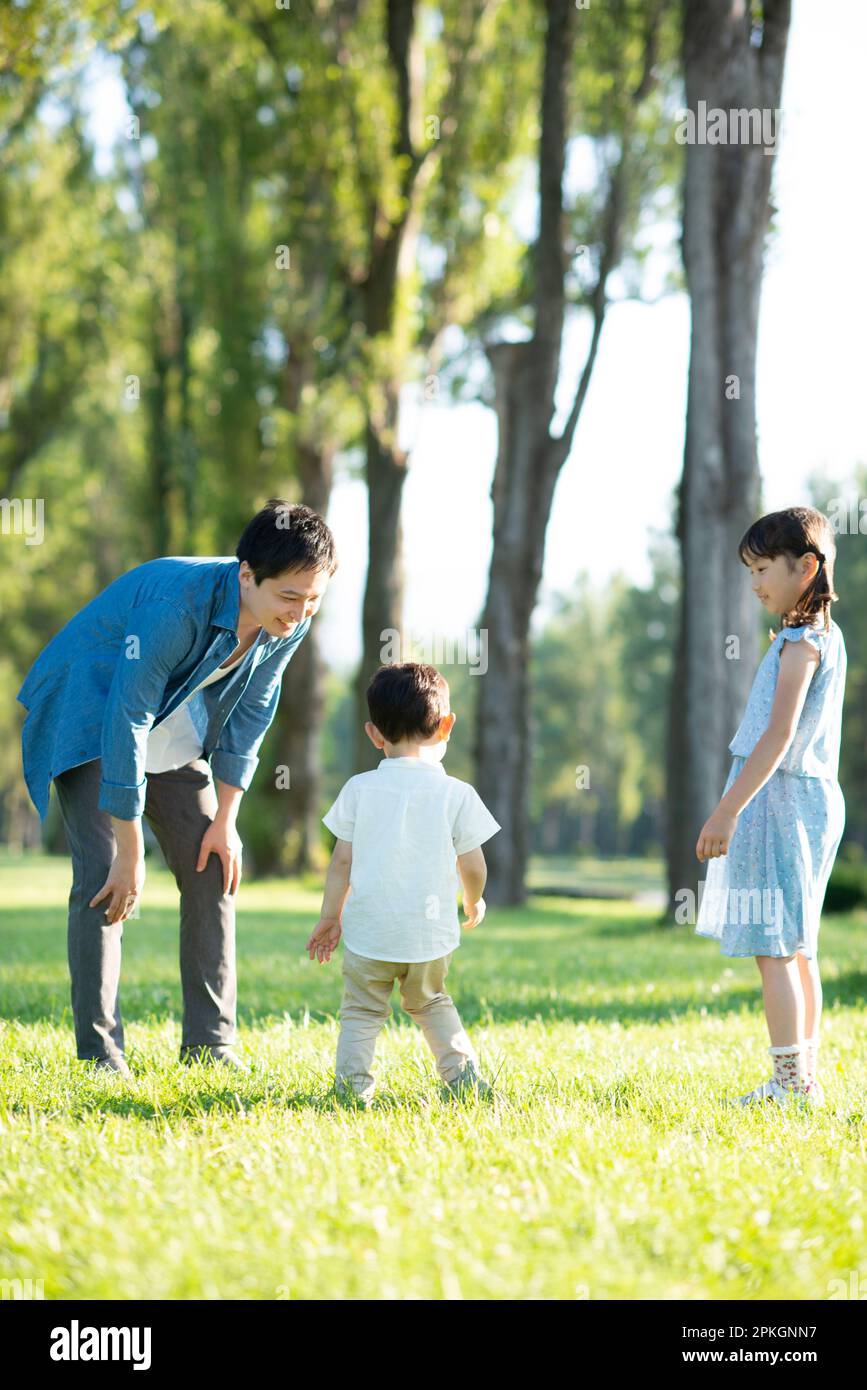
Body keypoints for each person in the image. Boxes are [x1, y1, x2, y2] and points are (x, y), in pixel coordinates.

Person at [16, 500, 337, 1077]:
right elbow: (127, 715)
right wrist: (132, 850)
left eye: (313, 598)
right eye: (290, 596)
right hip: (92, 705)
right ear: (247, 575)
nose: (301, 612)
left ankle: (210, 1046)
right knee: (104, 877)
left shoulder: (291, 618)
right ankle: (101, 1056)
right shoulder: (175, 608)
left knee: (213, 865)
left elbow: (254, 711)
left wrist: (227, 819)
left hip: (171, 714)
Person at [694, 506, 846, 1108]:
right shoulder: (817, 638)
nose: (755, 582)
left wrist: (727, 809)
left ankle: (790, 1085)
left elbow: (779, 735)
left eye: (763, 568)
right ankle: (802, 1081)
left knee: (775, 947)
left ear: (807, 567)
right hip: (804, 799)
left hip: (780, 801)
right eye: (750, 570)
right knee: (797, 947)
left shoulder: (801, 643)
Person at [305, 662, 500, 1106]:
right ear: (447, 724)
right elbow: (473, 863)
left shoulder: (358, 789)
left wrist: (330, 917)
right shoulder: (457, 794)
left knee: (361, 1011)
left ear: (375, 734)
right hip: (429, 937)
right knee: (432, 1004)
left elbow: (341, 862)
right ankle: (463, 1081)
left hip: (368, 934)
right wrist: (474, 901)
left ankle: (353, 1090)